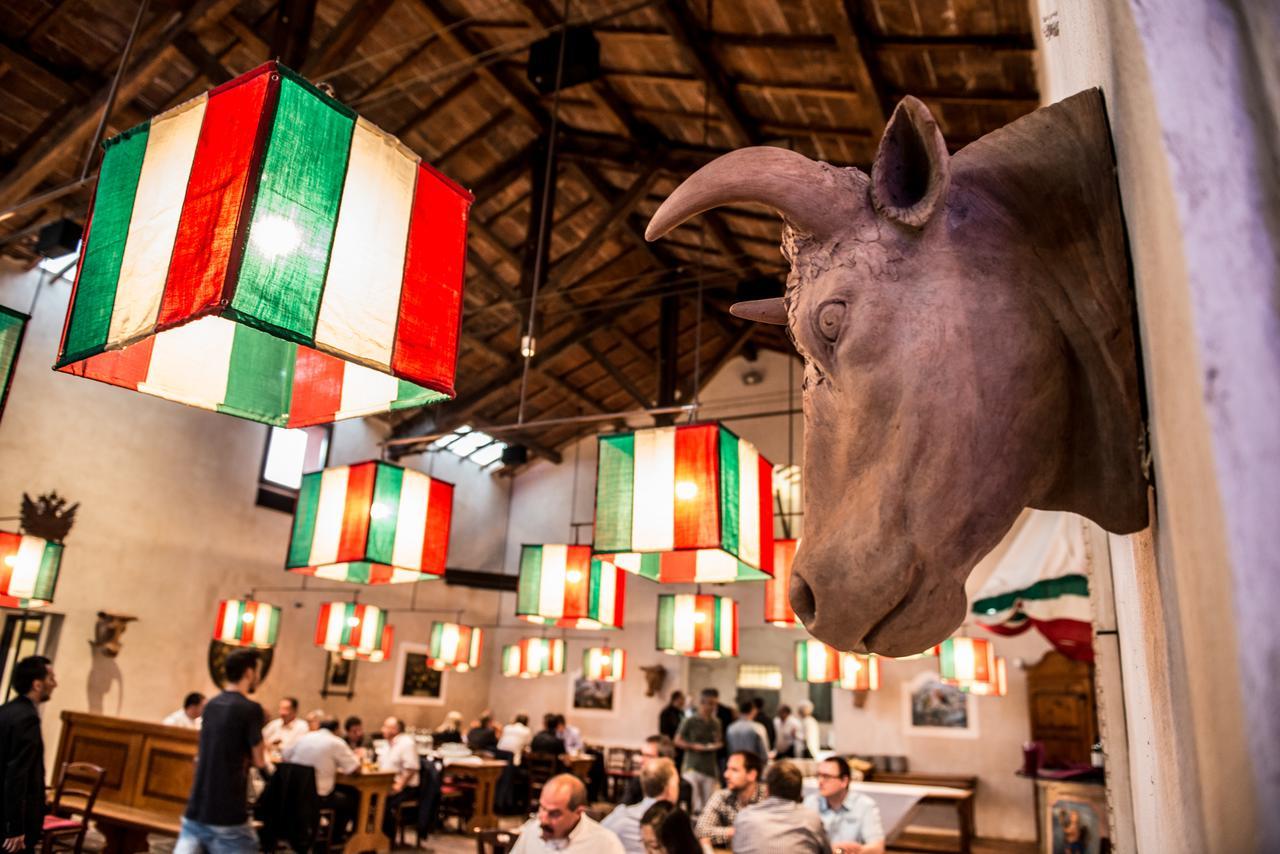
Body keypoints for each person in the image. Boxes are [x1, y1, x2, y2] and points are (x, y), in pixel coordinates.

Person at [176, 648, 267, 854]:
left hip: (197, 807)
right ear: (249, 673)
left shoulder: (211, 705)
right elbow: (259, 760)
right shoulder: (251, 709)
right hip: (227, 811)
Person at [0, 655, 56, 854]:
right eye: (51, 679)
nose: (55, 684)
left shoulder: (6, 710)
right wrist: (14, 827)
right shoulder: (28, 718)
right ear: (37, 684)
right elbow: (17, 774)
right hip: (12, 821)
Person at [731, 760, 829, 854]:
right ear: (800, 793)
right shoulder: (811, 819)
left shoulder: (744, 817)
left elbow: (736, 849)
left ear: (767, 790)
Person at [284, 718, 360, 838]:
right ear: (337, 730)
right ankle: (337, 838)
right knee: (353, 798)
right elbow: (354, 768)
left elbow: (285, 755)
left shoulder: (304, 737)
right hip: (318, 796)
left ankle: (326, 834)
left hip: (295, 792)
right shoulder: (336, 742)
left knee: (344, 794)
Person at [510, 773, 624, 853]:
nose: (543, 819)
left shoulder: (605, 843)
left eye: (554, 814)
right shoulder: (532, 830)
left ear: (578, 812)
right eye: (542, 808)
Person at [804, 757, 885, 854]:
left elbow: (877, 848)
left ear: (844, 781)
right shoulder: (810, 803)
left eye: (826, 776)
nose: (820, 781)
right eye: (818, 775)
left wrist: (846, 851)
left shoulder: (864, 805)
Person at [602, 757, 679, 853]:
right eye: (677, 784)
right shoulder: (674, 822)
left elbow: (596, 837)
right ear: (670, 788)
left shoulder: (621, 814)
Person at [693, 751, 767, 848]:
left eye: (734, 770)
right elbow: (700, 831)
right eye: (727, 769)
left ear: (751, 775)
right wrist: (735, 832)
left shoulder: (768, 797)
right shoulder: (722, 796)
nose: (726, 775)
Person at [674, 690, 724, 814]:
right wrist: (693, 746)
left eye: (715, 704)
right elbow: (677, 740)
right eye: (710, 703)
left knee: (708, 805)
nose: (713, 707)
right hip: (693, 766)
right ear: (703, 703)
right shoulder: (690, 720)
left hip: (709, 767)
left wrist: (716, 744)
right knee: (694, 803)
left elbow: (718, 740)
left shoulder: (716, 722)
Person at [378, 717, 420, 841]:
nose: (382, 729)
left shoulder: (406, 743)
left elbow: (411, 768)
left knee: (382, 802)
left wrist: (399, 786)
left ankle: (386, 839)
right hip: (386, 784)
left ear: (395, 729)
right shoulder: (386, 744)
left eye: (385, 726)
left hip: (407, 787)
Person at [622, 736, 693, 810]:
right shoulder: (637, 782)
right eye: (642, 754)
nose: (641, 760)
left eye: (648, 756)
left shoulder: (683, 787)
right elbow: (624, 808)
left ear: (665, 759)